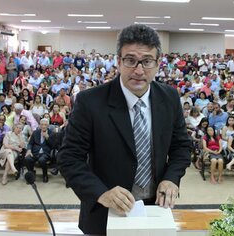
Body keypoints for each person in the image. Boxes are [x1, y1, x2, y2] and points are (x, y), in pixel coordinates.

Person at [57, 24, 191, 235]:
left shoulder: (170, 97)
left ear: (157, 64)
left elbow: (181, 147)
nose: (138, 71)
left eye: (146, 61)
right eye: (130, 60)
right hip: (105, 212)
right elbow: (69, 158)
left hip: (156, 208)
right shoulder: (90, 101)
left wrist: (171, 178)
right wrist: (101, 193)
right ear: (118, 61)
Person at [25, 118, 54, 183]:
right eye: (42, 124)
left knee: (42, 160)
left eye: (45, 125)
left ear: (48, 126)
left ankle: (45, 175)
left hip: (45, 153)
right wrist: (29, 150)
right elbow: (30, 143)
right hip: (35, 152)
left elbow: (53, 145)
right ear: (40, 125)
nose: (43, 126)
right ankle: (31, 174)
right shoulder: (35, 132)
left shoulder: (51, 133)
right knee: (27, 158)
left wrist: (47, 137)